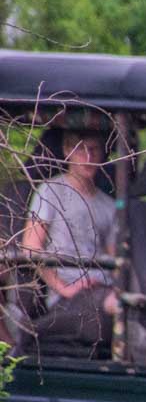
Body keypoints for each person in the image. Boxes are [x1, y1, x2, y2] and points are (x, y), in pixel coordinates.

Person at [20, 129, 119, 347]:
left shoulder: (109, 206)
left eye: (94, 150)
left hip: (104, 289)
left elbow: (117, 260)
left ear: (103, 154)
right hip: (68, 298)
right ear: (67, 152)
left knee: (133, 304)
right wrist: (64, 287)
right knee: (120, 305)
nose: (88, 157)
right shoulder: (50, 191)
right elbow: (30, 248)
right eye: (80, 150)